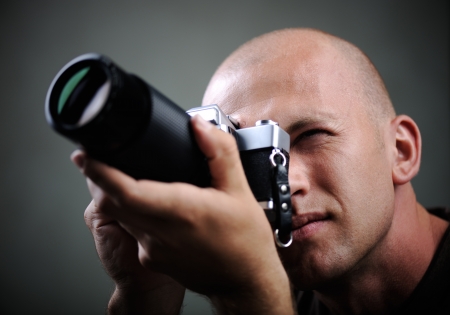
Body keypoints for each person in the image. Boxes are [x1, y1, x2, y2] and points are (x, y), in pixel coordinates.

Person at [71, 28, 450, 314]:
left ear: (401, 151)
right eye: (245, 154)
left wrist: (249, 293)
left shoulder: (259, 294)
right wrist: (146, 295)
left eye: (312, 135)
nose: (284, 180)